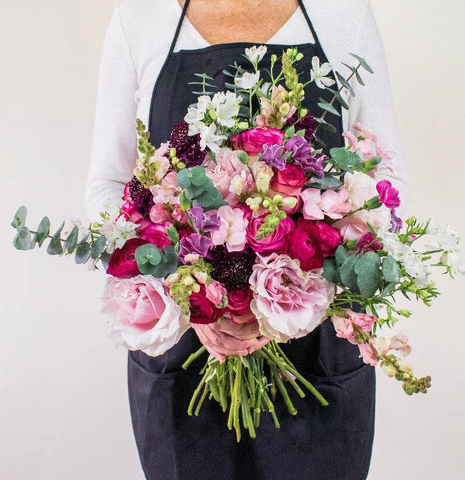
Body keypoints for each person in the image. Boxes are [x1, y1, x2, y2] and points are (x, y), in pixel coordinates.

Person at [85, 1, 409, 479]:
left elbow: (388, 176)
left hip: (316, 347)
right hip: (183, 347)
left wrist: (290, 300)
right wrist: (194, 297)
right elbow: (107, 186)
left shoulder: (343, 15)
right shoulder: (142, 16)